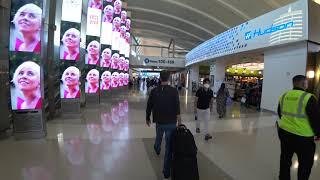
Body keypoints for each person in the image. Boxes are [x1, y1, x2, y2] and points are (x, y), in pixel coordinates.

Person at [278, 75, 320, 180]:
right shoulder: (309, 97)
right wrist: (318, 134)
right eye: (307, 83)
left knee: (285, 159)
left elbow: (280, 113)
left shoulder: (284, 95)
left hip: (284, 133)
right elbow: (316, 120)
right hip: (303, 137)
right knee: (305, 164)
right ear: (304, 83)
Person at [146, 71, 181, 180]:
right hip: (171, 122)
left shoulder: (154, 91)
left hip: (159, 121)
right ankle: (166, 172)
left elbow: (149, 105)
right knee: (169, 148)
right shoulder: (174, 91)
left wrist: (147, 117)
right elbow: (177, 106)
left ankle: (157, 147)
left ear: (160, 78)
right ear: (169, 78)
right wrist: (179, 121)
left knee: (159, 136)